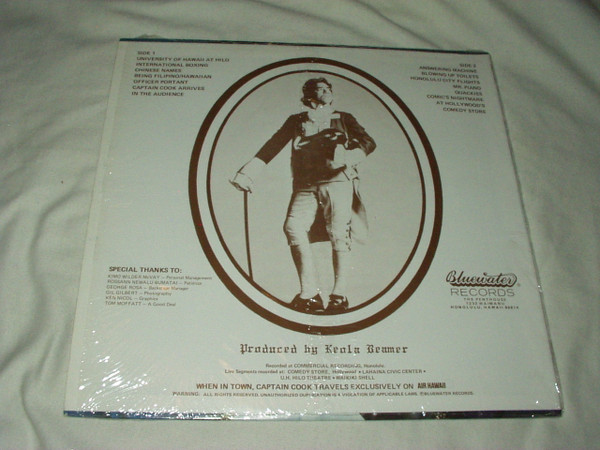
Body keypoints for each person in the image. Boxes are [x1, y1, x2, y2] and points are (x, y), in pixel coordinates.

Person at [230, 77, 376, 314]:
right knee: (294, 227)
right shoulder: (297, 120)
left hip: (337, 181)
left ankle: (339, 295)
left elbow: (369, 142)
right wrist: (248, 174)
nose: (326, 91)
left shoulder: (343, 118)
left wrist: (348, 156)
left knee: (339, 233)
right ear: (308, 95)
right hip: (305, 183)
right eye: (320, 89)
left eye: (328, 88)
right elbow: (274, 144)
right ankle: (309, 294)